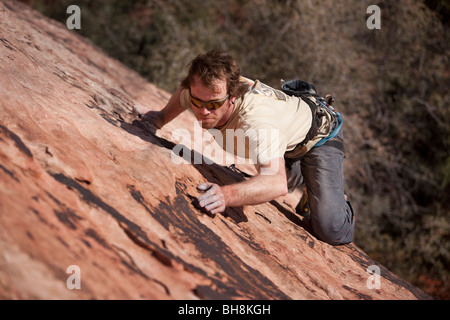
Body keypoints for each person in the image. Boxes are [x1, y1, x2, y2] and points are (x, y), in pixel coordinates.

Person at [135, 49, 355, 245]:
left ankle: (336, 199)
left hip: (319, 138)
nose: (203, 111)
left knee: (330, 229)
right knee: (258, 178)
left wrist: (226, 196)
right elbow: (185, 94)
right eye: (197, 102)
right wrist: (160, 117)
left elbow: (276, 184)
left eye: (213, 105)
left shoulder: (255, 123)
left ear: (232, 97)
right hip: (286, 137)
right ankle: (309, 180)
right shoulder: (202, 92)